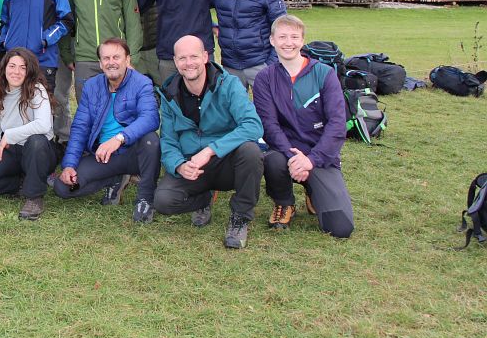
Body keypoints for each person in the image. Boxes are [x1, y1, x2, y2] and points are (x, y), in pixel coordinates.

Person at [154, 35, 264, 250]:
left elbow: (253, 125)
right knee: (163, 201)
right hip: (193, 164)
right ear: (175, 61)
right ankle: (203, 199)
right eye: (182, 58)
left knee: (251, 152)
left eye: (194, 56)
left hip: (226, 161)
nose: (189, 63)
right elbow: (168, 140)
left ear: (205, 57)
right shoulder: (169, 94)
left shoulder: (229, 84)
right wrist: (179, 165)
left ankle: (240, 216)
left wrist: (211, 150)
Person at [252, 15, 354, 238]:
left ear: (302, 40)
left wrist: (311, 160)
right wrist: (293, 156)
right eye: (282, 37)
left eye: (294, 37)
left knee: (340, 228)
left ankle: (312, 190)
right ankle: (284, 202)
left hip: (320, 154)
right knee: (272, 159)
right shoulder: (264, 78)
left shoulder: (324, 73)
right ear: (272, 40)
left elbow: (337, 125)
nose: (288, 43)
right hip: (285, 152)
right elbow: (269, 125)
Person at [53, 38, 162, 223]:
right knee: (62, 187)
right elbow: (80, 127)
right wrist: (69, 165)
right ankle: (115, 179)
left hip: (134, 154)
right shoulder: (92, 86)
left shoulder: (142, 82)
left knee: (151, 140)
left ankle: (145, 198)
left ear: (127, 60)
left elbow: (151, 118)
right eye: (106, 58)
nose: (111, 62)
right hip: (104, 156)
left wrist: (119, 138)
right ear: (100, 63)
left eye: (116, 57)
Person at [0, 48, 58, 221]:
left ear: (29, 71)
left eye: (23, 67)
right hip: (12, 150)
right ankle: (21, 182)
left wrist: (10, 134)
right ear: (4, 68)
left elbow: (43, 125)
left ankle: (34, 198)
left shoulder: (37, 90)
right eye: (12, 66)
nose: (16, 72)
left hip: (39, 151)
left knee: (36, 141)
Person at [42, 0, 86, 145]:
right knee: (59, 91)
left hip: (88, 32)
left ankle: (91, 138)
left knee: (89, 93)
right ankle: (63, 138)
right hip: (59, 33)